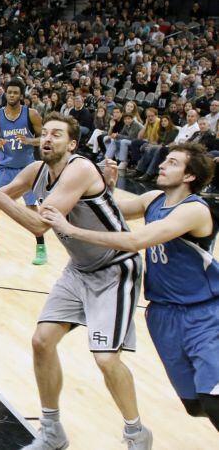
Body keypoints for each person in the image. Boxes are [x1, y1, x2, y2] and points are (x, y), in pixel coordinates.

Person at [0, 112, 152, 449]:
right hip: (79, 269)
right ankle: (52, 431)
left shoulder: (80, 169)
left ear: (72, 143)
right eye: (44, 133)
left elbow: (40, 226)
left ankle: (136, 433)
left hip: (115, 269)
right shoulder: (36, 171)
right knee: (41, 342)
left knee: (106, 359)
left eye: (57, 134)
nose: (47, 139)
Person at [41, 143, 219, 431]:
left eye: (172, 162)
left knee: (214, 398)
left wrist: (70, 229)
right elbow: (109, 214)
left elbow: (136, 241)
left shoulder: (194, 210)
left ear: (189, 176)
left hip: (205, 314)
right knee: (195, 405)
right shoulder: (153, 199)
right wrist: (103, 191)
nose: (162, 164)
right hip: (163, 313)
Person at [0, 79, 47, 264]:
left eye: (15, 92)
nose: (12, 95)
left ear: (21, 95)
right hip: (5, 167)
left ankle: (41, 246)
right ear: (5, 94)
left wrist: (29, 141)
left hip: (27, 168)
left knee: (32, 208)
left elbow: (44, 137)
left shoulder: (32, 114)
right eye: (9, 92)